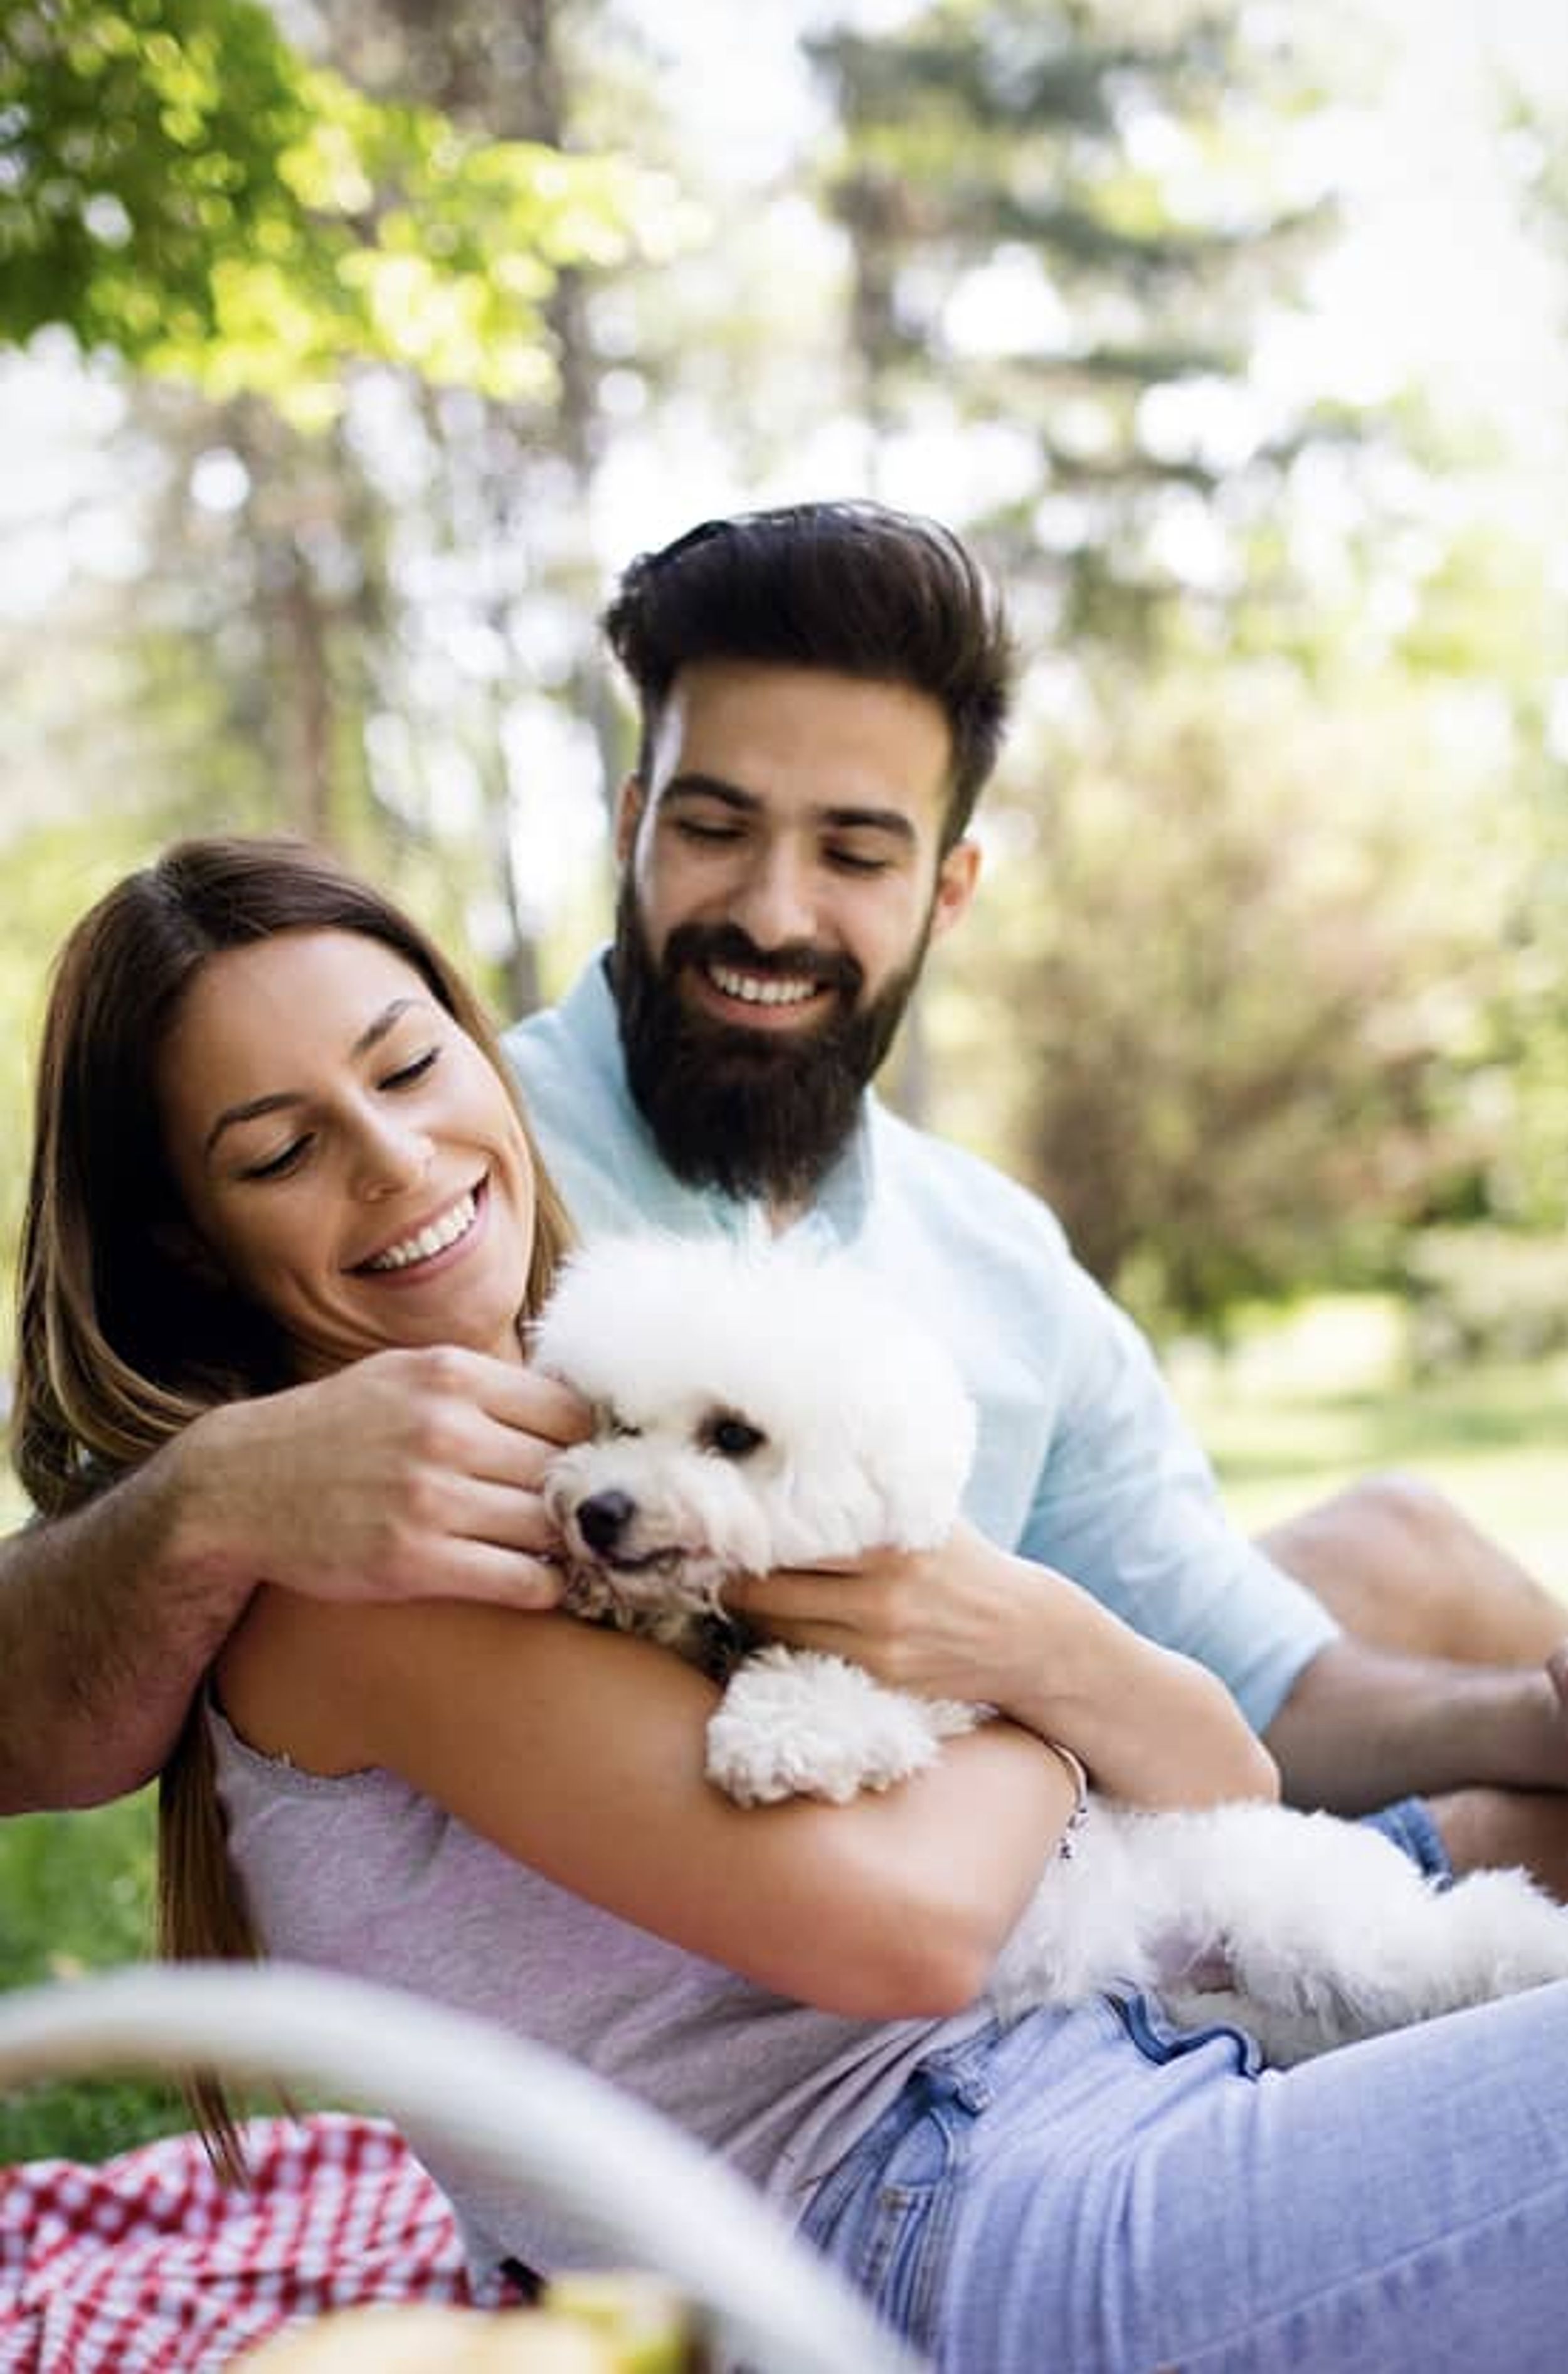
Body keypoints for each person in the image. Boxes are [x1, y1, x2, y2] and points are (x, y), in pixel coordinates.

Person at [16, 833, 1568, 2374]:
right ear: (188, 1241)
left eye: (408, 1066)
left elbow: (1225, 1772)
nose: (395, 1157)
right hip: (950, 2214)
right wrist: (1015, 1672)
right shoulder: (360, 1572)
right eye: (279, 1150)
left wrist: (1017, 1635)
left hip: (1108, 2028)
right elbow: (912, 1931)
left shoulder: (595, 1428)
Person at [3, 499, 1567, 1900]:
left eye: (854, 851)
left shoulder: (993, 1254)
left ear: (946, 890)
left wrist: (1527, 1716)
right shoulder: (448, 1190)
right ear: (630, 824)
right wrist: (206, 1495)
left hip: (1048, 1863)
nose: (770, 908)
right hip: (818, 1971)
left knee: (1410, 1541)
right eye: (713, 826)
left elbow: (1251, 1688)